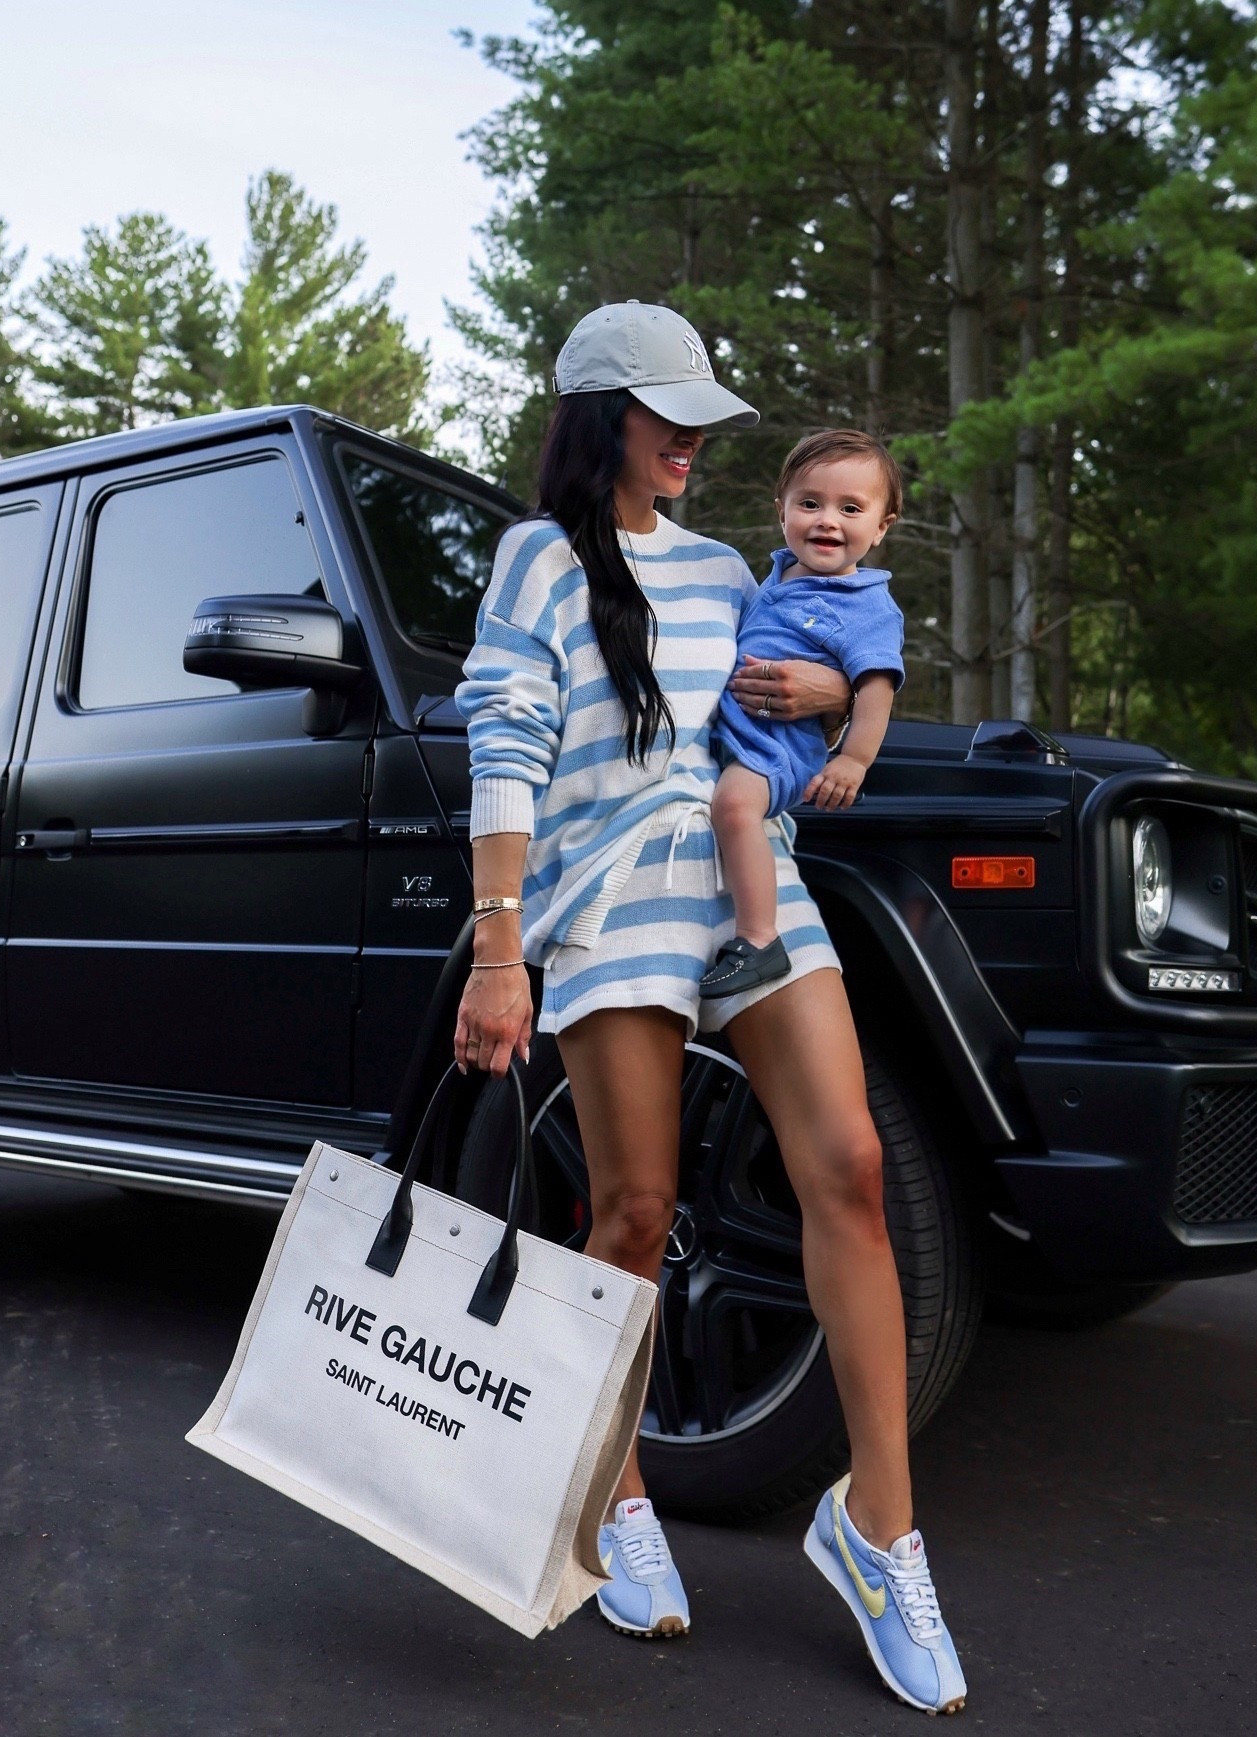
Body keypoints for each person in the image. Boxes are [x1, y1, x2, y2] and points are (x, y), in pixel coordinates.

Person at [454, 300, 966, 1716]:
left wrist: (823, 694)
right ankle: (611, 1489)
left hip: (748, 882)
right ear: (597, 417)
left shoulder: (732, 566)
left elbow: (794, 697)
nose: (689, 440)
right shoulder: (539, 559)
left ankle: (877, 1529)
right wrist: (501, 949)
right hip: (609, 894)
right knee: (632, 1212)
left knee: (852, 1170)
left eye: (698, 418)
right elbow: (503, 744)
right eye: (663, 413)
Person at [700, 430, 906, 999]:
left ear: (882, 526)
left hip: (779, 747)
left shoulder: (867, 606)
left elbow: (877, 688)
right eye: (810, 503)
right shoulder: (777, 574)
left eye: (851, 509)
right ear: (782, 510)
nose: (827, 521)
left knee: (736, 807)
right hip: (742, 734)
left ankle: (760, 939)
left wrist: (854, 761)